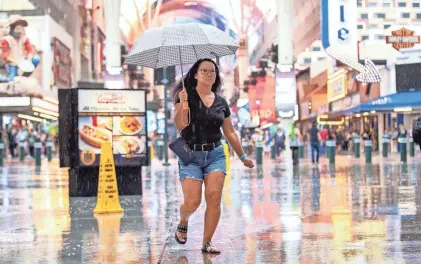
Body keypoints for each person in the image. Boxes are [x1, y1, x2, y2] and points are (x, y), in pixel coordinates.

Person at [172, 58, 255, 254]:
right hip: (190, 153)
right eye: (204, 71)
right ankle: (183, 219)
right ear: (195, 74)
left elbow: (230, 132)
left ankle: (207, 242)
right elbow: (180, 126)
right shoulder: (185, 96)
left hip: (216, 154)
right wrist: (182, 104)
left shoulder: (221, 102)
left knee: (214, 197)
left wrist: (242, 156)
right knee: (192, 202)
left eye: (212, 71)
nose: (209, 74)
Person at [1, 15, 40, 82]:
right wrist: (14, 61)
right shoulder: (7, 40)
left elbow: (29, 50)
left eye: (21, 28)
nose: (19, 31)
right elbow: (5, 55)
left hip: (23, 62)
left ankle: (23, 77)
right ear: (12, 29)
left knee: (36, 59)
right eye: (17, 28)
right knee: (11, 78)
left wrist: (29, 59)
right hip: (12, 63)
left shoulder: (24, 39)